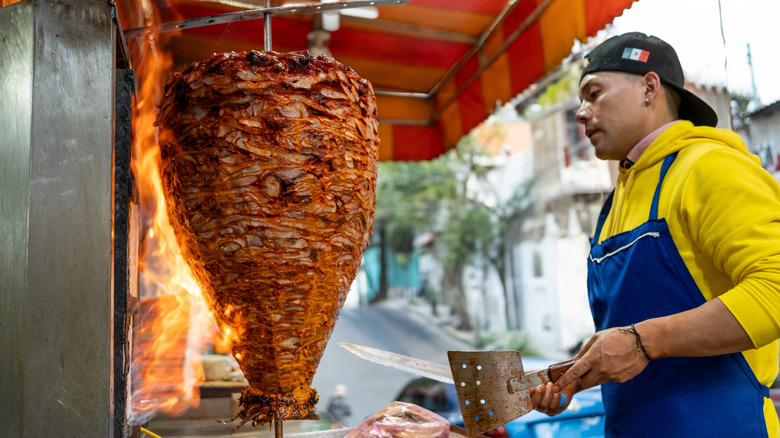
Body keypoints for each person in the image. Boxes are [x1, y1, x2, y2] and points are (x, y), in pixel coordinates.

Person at [530, 32, 780, 437]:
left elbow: (775, 286)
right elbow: (626, 337)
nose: (580, 113)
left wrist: (643, 341)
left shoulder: (708, 166)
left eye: (594, 94)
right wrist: (576, 377)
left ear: (650, 87)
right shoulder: (615, 203)